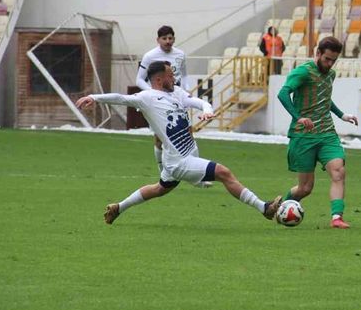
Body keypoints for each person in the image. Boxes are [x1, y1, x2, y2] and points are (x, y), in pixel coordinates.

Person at [76, 61, 282, 224]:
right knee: (224, 172)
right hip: (179, 162)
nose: (174, 78)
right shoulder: (147, 98)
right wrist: (94, 97)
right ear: (159, 79)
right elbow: (121, 98)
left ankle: (118, 207)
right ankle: (264, 208)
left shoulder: (176, 92)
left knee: (159, 188)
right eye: (170, 75)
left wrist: (207, 110)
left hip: (183, 155)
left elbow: (199, 102)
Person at [277, 37, 359, 229]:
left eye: (333, 60)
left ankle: (337, 218)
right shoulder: (303, 72)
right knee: (305, 188)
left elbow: (324, 98)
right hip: (303, 135)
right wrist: (298, 117)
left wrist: (342, 115)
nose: (329, 64)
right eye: (327, 59)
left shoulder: (331, 75)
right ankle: (282, 207)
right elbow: (283, 93)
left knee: (338, 172)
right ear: (318, 53)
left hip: (327, 133)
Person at [136, 25, 188, 177]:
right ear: (158, 40)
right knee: (160, 138)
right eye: (164, 38)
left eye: (170, 38)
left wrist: (185, 92)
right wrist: (153, 93)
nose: (167, 41)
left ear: (174, 39)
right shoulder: (150, 56)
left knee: (187, 135)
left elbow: (184, 76)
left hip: (177, 99)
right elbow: (139, 79)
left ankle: (196, 173)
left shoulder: (180, 54)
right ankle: (162, 170)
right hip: (158, 102)